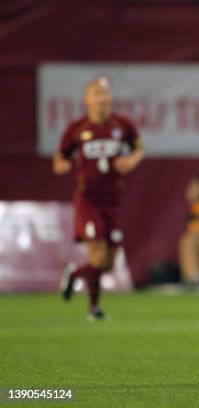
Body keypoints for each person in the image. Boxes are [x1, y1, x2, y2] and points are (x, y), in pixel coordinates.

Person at [54, 77, 144, 320]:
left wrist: (131, 160)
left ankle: (74, 275)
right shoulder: (77, 128)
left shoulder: (122, 125)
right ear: (87, 100)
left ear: (110, 98)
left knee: (108, 262)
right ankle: (94, 309)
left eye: (104, 94)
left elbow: (139, 148)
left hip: (113, 199)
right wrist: (62, 163)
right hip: (89, 199)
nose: (101, 98)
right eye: (96, 94)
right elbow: (60, 157)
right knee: (98, 253)